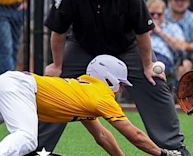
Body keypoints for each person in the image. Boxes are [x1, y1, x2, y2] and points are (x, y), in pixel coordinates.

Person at [41, 0, 190, 155]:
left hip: (126, 47)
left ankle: (173, 148)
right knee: (56, 87)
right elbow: (58, 31)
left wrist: (147, 66)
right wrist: (57, 66)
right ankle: (36, 148)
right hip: (83, 47)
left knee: (154, 80)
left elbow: (142, 32)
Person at [0, 54, 182, 156]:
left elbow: (102, 135)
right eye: (121, 84)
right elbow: (134, 135)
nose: (121, 90)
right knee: (27, 138)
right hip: (20, 87)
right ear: (109, 80)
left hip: (15, 85)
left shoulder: (86, 92)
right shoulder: (102, 95)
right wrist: (162, 154)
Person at [147, 0, 187, 77]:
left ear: (164, 14)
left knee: (156, 67)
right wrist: (148, 32)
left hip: (162, 57)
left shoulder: (172, 27)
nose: (155, 16)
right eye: (152, 14)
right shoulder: (140, 27)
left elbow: (181, 47)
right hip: (142, 54)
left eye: (159, 14)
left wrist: (159, 31)